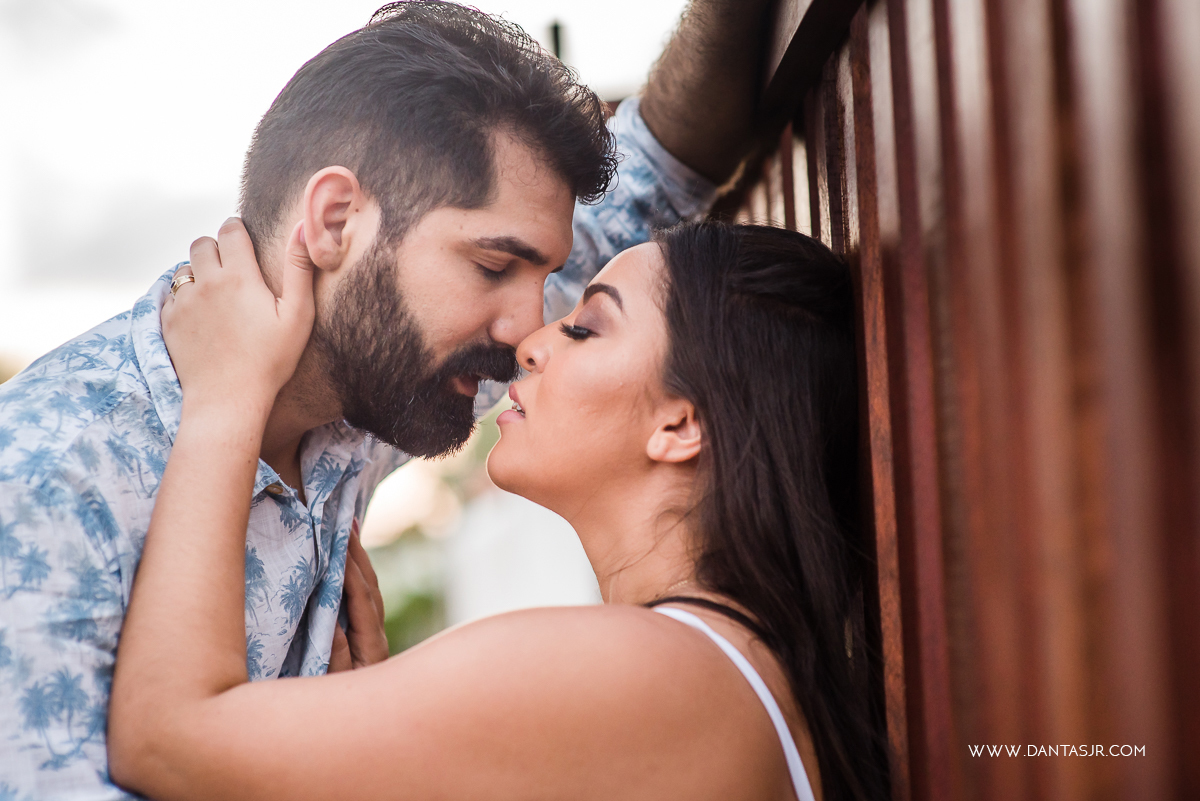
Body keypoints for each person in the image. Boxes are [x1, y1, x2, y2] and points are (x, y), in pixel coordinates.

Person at [0, 1, 774, 796]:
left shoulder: (370, 398)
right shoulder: (39, 483)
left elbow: (661, 170)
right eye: (492, 266)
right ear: (336, 220)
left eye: (544, 278)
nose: (527, 329)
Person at [105, 219, 886, 801]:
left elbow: (162, 738)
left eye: (586, 327)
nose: (533, 343)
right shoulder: (714, 667)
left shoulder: (647, 668)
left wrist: (226, 391)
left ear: (680, 424)